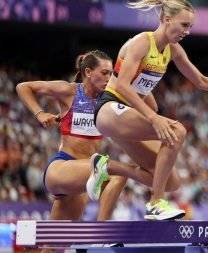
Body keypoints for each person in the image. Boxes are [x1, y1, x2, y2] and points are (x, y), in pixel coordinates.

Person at [90, 0, 208, 221]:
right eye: (184, 25)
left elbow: (201, 81)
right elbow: (125, 86)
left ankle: (107, 167)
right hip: (110, 108)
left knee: (170, 180)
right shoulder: (142, 42)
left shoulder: (173, 51)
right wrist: (153, 117)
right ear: (167, 19)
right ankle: (155, 204)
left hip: (128, 117)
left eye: (190, 27)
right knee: (177, 131)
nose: (188, 32)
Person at [16, 51, 128, 251]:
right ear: (88, 72)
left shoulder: (108, 98)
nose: (109, 78)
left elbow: (145, 101)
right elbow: (23, 87)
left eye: (111, 73)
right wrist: (39, 113)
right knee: (115, 174)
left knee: (55, 246)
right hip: (63, 167)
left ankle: (45, 243)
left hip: (86, 177)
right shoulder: (69, 91)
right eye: (104, 73)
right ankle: (102, 235)